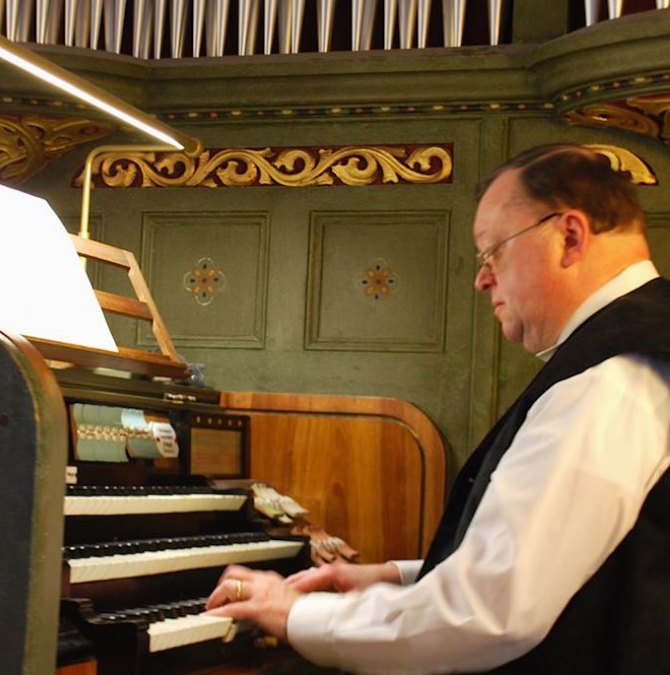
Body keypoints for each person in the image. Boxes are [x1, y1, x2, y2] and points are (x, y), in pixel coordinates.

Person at [206, 143, 670, 674]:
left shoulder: (611, 378)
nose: (481, 279)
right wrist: (401, 575)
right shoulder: (632, 347)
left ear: (569, 236)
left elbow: (489, 612)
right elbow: (565, 564)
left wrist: (296, 613)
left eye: (493, 252)